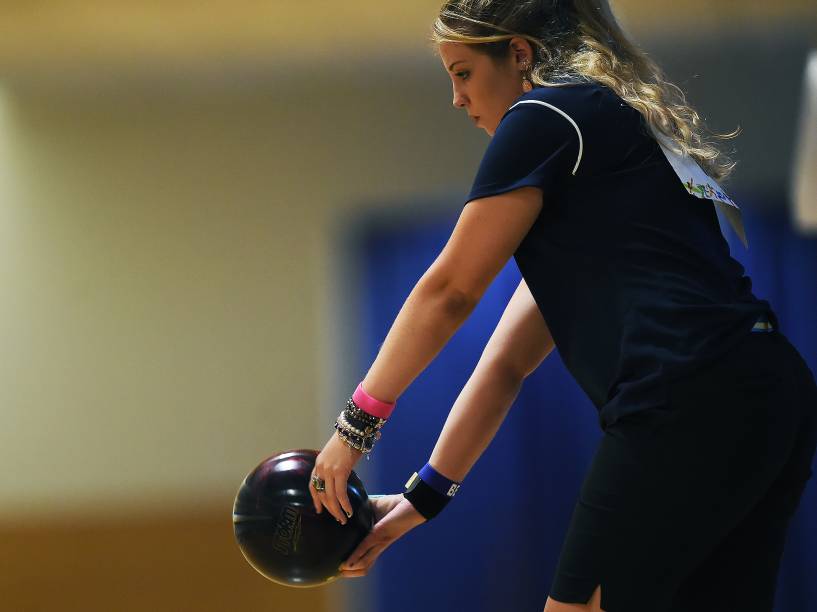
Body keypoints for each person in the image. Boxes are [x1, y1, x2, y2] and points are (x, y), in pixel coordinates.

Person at [309, 2, 817, 611]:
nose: (456, 99)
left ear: (519, 55)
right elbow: (506, 366)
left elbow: (450, 292)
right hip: (770, 393)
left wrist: (354, 430)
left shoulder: (545, 114)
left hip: (683, 397)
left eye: (463, 72)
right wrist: (424, 497)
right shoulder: (609, 147)